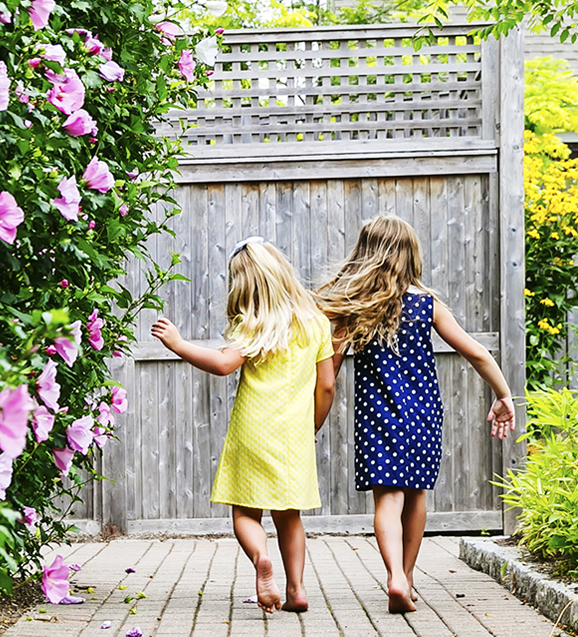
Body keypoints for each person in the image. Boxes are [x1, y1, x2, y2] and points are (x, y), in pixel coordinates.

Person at [314, 214, 515, 614]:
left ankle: (395, 578)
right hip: (423, 414)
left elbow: (328, 377)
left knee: (386, 499)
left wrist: (311, 423)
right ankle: (406, 576)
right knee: (416, 494)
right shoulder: (428, 305)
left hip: (376, 414)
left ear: (363, 254)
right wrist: (503, 394)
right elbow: (476, 351)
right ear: (409, 255)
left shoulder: (351, 309)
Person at [151, 237, 335, 614]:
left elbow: (222, 365)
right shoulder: (317, 323)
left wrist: (179, 344)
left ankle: (260, 556)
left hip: (253, 430)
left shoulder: (253, 325)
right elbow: (327, 386)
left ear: (243, 285)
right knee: (290, 515)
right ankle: (297, 589)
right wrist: (311, 427)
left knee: (245, 513)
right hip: (295, 433)